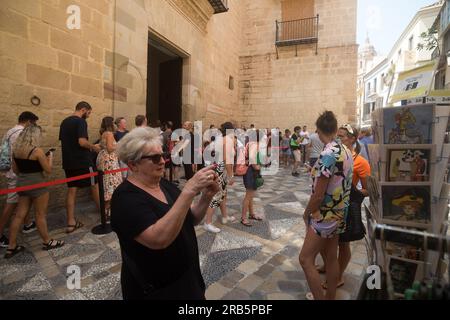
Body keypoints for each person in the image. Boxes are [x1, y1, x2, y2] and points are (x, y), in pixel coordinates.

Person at [111, 127, 220, 300]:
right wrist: (189, 190)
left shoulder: (163, 184)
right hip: (158, 290)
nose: (162, 161)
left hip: (187, 278)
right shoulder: (125, 199)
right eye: (154, 158)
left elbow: (190, 219)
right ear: (133, 164)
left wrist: (207, 196)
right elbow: (158, 239)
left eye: (163, 155)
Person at [298, 111, 353, 300]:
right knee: (330, 255)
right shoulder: (346, 150)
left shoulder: (328, 154)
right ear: (336, 129)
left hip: (325, 214)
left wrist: (306, 213)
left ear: (319, 131)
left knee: (305, 259)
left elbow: (318, 195)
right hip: (340, 212)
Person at [316, 124, 370, 290]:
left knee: (343, 244)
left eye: (342, 136)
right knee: (325, 242)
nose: (338, 139)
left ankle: (338, 276)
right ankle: (329, 267)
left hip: (345, 207)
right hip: (329, 206)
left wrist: (351, 192)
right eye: (337, 136)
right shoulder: (334, 155)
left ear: (353, 139)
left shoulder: (360, 162)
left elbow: (368, 190)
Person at [4, 125, 64, 258]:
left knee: (19, 215)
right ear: (35, 136)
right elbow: (48, 170)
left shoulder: (16, 150)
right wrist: (51, 157)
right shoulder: (37, 151)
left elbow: (15, 170)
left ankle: (11, 246)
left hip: (22, 185)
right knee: (40, 215)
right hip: (38, 185)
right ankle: (47, 241)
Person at [59, 101, 101, 233]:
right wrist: (94, 147)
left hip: (68, 162)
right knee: (95, 185)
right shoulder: (80, 122)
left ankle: (70, 222)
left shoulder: (64, 122)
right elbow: (82, 142)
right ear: (83, 110)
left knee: (72, 190)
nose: (88, 116)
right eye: (88, 113)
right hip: (83, 161)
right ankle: (105, 214)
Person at [0, 112, 39, 247]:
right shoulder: (21, 133)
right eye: (33, 124)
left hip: (11, 172)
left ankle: (27, 224)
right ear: (28, 122)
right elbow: (22, 155)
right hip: (18, 174)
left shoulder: (11, 131)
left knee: (23, 200)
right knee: (11, 203)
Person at [203, 122, 237, 233]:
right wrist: (231, 175)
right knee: (217, 195)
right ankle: (207, 222)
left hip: (218, 168)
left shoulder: (221, 139)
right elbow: (227, 160)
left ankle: (224, 216)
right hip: (221, 169)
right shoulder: (228, 140)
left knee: (223, 194)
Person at [97, 117, 123, 217]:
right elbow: (110, 148)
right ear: (110, 124)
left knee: (107, 183)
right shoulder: (109, 134)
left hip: (103, 159)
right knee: (112, 183)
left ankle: (107, 210)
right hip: (110, 161)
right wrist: (119, 145)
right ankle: (108, 211)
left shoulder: (103, 133)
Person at [241, 129, 264, 226]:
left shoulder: (249, 143)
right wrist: (257, 167)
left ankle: (251, 213)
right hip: (251, 171)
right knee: (248, 195)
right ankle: (243, 218)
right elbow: (253, 159)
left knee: (250, 195)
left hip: (248, 171)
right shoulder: (255, 145)